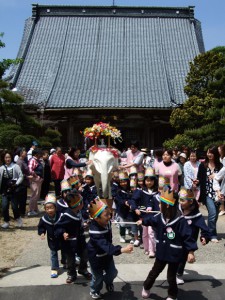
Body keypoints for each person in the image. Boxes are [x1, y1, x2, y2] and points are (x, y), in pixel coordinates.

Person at [137, 186, 197, 300]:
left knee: (171, 277)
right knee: (154, 272)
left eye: (161, 204)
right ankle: (146, 287)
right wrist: (142, 221)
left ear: (167, 205)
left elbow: (188, 237)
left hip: (174, 253)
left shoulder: (181, 221)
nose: (159, 206)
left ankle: (172, 295)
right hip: (161, 252)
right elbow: (151, 220)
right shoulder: (160, 217)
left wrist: (191, 251)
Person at [87, 198, 133, 299]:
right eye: (106, 215)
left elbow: (108, 242)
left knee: (113, 273)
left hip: (107, 254)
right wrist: (121, 250)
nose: (109, 217)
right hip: (96, 257)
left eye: (109, 214)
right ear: (96, 218)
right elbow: (105, 245)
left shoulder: (106, 223)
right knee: (97, 277)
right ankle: (94, 290)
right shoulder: (95, 232)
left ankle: (108, 282)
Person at [56, 190, 91, 284]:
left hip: (80, 239)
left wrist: (85, 224)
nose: (83, 203)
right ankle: (71, 274)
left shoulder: (79, 212)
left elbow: (80, 223)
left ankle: (83, 269)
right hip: (70, 242)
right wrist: (63, 233)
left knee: (85, 255)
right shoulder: (66, 215)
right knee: (70, 260)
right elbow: (59, 227)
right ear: (78, 204)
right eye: (82, 202)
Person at [176, 187, 210, 285]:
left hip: (188, 240)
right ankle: (173, 272)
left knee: (183, 258)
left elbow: (204, 227)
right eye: (180, 200)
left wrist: (204, 237)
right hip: (176, 238)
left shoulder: (196, 215)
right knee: (174, 256)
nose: (181, 202)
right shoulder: (177, 210)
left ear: (190, 201)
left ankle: (179, 274)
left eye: (183, 200)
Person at [130, 167, 159, 258]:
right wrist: (135, 209)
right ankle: (146, 249)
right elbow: (133, 200)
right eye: (147, 180)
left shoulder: (157, 192)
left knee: (151, 232)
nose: (149, 182)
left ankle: (152, 250)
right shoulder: (141, 191)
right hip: (144, 216)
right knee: (144, 233)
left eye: (151, 180)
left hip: (153, 215)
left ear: (154, 181)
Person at [197, 145, 222, 242]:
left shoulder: (220, 166)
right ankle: (212, 235)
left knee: (215, 216)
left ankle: (208, 231)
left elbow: (223, 179)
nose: (209, 154)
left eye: (211, 152)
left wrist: (216, 175)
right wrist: (196, 181)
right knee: (212, 213)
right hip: (207, 194)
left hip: (217, 193)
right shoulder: (203, 165)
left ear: (215, 154)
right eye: (208, 152)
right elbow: (199, 178)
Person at [38, 193, 63, 278]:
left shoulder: (61, 216)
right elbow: (41, 227)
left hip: (62, 238)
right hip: (52, 239)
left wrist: (65, 232)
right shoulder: (44, 219)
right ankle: (54, 268)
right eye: (47, 208)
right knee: (53, 253)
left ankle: (65, 263)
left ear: (55, 208)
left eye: (51, 207)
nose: (50, 210)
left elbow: (65, 225)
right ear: (45, 209)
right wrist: (42, 233)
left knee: (65, 252)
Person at [0, 151, 24, 229]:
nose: (7, 159)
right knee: (4, 206)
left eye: (9, 157)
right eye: (6, 157)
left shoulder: (16, 166)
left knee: (14, 206)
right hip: (4, 190)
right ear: (4, 158)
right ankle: (6, 221)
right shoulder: (1, 168)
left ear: (11, 158)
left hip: (14, 190)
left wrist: (16, 184)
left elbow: (21, 176)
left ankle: (18, 218)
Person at [16, 148, 32, 217]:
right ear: (21, 153)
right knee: (22, 199)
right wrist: (27, 177)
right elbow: (19, 173)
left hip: (24, 183)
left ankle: (22, 212)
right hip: (21, 183)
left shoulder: (23, 160)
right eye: (24, 152)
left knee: (24, 198)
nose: (26, 153)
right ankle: (21, 213)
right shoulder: (19, 162)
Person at [28, 149, 44, 216]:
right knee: (34, 195)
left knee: (37, 195)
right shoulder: (33, 160)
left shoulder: (37, 160)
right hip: (35, 180)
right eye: (39, 154)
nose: (40, 155)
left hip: (38, 180)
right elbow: (30, 169)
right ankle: (31, 210)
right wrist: (36, 176)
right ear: (36, 154)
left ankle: (35, 209)